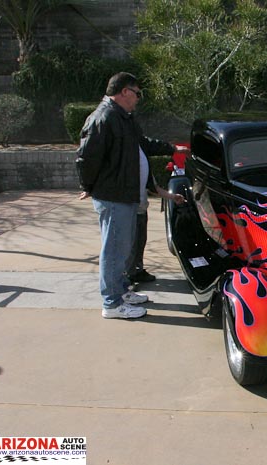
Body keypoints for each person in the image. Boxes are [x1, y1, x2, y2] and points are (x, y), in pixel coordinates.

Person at [76, 72, 188, 319]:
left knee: (124, 249)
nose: (138, 98)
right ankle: (112, 304)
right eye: (137, 93)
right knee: (114, 250)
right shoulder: (103, 118)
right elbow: (86, 157)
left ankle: (122, 290)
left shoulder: (123, 118)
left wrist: (171, 148)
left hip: (125, 195)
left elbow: (143, 144)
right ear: (125, 91)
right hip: (114, 197)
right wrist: (89, 186)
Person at [127, 171, 186, 284]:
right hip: (128, 212)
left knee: (140, 244)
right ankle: (126, 277)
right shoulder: (125, 161)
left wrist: (172, 196)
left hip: (141, 211)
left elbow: (154, 188)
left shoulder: (144, 164)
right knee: (130, 246)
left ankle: (136, 271)